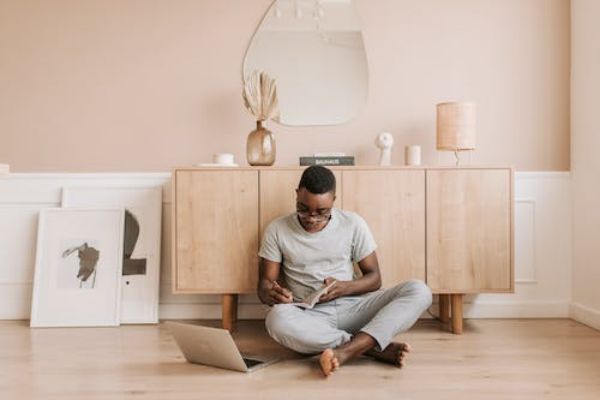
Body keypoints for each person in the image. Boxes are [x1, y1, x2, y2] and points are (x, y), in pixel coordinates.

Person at [257, 165, 432, 377]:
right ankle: (368, 346)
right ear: (296, 194)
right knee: (276, 319)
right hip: (310, 315)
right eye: (303, 209)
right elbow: (264, 285)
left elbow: (375, 278)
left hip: (356, 307)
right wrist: (272, 293)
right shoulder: (277, 229)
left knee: (419, 290)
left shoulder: (352, 223)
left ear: (333, 199)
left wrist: (344, 288)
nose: (311, 218)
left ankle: (347, 351)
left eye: (322, 212)